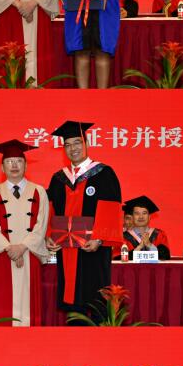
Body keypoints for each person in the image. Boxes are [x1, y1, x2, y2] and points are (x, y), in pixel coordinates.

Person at [46, 120, 122, 316]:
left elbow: (111, 210)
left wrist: (99, 239)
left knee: (95, 301)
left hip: (93, 249)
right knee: (71, 304)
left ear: (86, 143)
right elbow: (50, 210)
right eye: (68, 145)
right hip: (66, 250)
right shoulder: (58, 179)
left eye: (77, 143)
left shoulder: (104, 174)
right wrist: (49, 236)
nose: (73, 149)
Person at [0, 139, 50, 327]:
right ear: (2, 167)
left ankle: (30, 341)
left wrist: (22, 247)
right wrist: (10, 249)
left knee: (28, 306)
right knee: (2, 303)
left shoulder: (39, 192)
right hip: (2, 255)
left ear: (26, 165)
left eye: (19, 161)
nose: (14, 165)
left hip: (29, 255)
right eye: (9, 162)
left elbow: (41, 225)